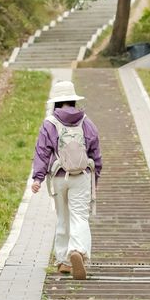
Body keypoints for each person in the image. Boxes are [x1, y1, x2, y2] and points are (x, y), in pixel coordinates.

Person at [31, 80, 102, 280]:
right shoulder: (86, 122)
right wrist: (94, 179)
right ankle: (77, 251)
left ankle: (62, 260)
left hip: (59, 177)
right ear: (73, 100)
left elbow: (42, 152)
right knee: (79, 216)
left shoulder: (49, 123)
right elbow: (96, 152)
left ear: (56, 103)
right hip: (81, 176)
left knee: (62, 217)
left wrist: (38, 177)